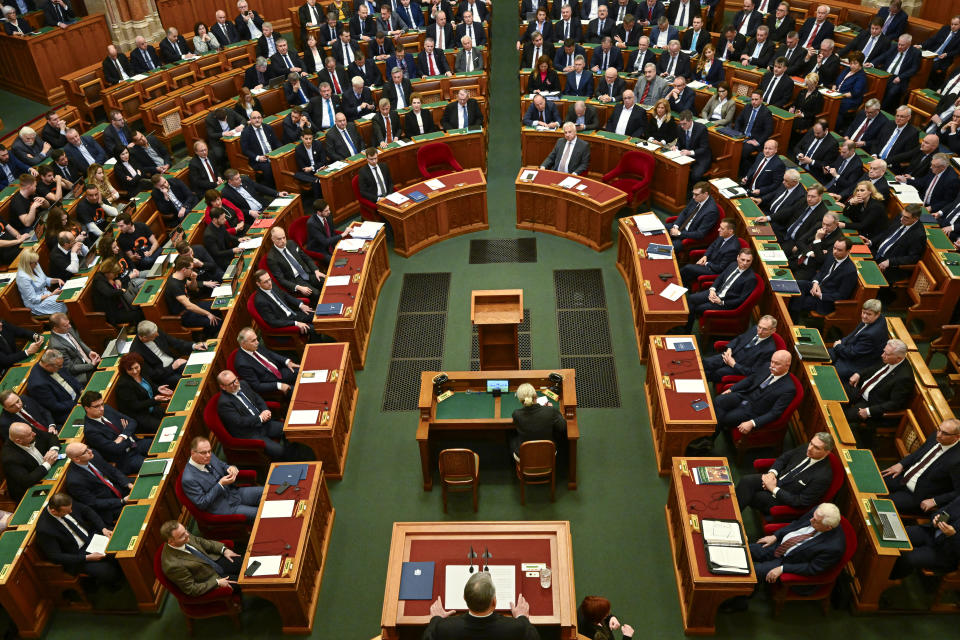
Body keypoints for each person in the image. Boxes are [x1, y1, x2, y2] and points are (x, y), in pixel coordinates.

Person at [729, 503, 845, 611]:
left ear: (828, 527)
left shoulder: (833, 547)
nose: (811, 520)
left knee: (754, 572)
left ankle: (738, 601)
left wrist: (783, 569)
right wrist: (775, 536)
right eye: (813, 517)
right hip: (779, 545)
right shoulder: (818, 513)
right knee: (745, 549)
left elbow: (811, 568)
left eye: (815, 521)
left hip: (789, 562)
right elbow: (796, 523)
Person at [706, 350, 796, 443]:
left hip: (753, 410)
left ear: (787, 365)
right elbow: (750, 379)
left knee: (726, 418)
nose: (772, 365)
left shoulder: (788, 389)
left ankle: (707, 438)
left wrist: (752, 422)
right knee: (719, 400)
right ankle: (707, 440)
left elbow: (775, 413)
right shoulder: (767, 366)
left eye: (777, 364)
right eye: (772, 361)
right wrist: (732, 389)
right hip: (745, 395)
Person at [36, 492, 121, 588]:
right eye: (66, 512)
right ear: (53, 511)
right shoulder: (44, 529)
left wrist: (103, 529)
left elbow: (87, 510)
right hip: (77, 554)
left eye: (71, 508)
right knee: (107, 571)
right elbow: (56, 556)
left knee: (119, 542)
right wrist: (87, 558)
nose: (71, 512)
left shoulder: (66, 504)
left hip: (91, 537)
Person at [736, 432, 835, 514]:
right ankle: (730, 514)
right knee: (746, 481)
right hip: (776, 479)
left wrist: (773, 489)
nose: (810, 448)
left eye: (816, 448)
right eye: (811, 443)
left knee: (754, 496)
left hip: (783, 499)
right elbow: (784, 458)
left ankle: (731, 520)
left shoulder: (823, 477)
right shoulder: (807, 448)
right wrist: (772, 474)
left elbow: (800, 501)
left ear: (827, 452)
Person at [424, 571, 538, 640]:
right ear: (494, 603)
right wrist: (522, 617)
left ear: (464, 598)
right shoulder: (517, 628)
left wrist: (436, 619)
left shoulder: (443, 628)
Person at [843, 339, 914, 447]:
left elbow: (895, 404)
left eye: (887, 354)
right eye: (884, 351)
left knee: (842, 417)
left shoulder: (904, 377)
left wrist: (869, 411)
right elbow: (874, 369)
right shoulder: (889, 359)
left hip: (871, 404)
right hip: (860, 391)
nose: (882, 355)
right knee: (837, 393)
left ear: (898, 358)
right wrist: (859, 374)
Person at [881, 418, 960, 515]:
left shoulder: (957, 460)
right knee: (870, 481)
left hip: (915, 495)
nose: (939, 434)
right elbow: (919, 452)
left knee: (881, 504)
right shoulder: (936, 436)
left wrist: (935, 501)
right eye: (939, 429)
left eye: (945, 433)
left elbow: (958, 492)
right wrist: (901, 464)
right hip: (902, 477)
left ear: (957, 437)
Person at [180, 437, 264, 522]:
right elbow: (202, 503)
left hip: (234, 492)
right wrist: (220, 484)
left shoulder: (209, 455)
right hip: (223, 506)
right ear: (193, 453)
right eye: (204, 453)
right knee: (260, 513)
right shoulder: (188, 479)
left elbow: (222, 465)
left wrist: (230, 468)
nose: (208, 455)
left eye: (209, 451)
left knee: (266, 492)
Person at [216, 370, 289, 460]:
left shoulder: (243, 384)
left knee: (289, 431)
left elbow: (257, 398)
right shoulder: (224, 403)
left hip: (263, 423)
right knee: (280, 451)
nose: (235, 384)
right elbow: (240, 422)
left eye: (235, 380)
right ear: (222, 387)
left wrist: (265, 410)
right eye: (231, 383)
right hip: (250, 433)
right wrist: (260, 418)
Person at [160, 519, 243, 595]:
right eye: (182, 536)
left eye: (185, 529)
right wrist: (217, 583)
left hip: (214, 560)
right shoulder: (172, 566)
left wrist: (224, 550)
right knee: (244, 583)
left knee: (248, 564)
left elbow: (202, 542)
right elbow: (191, 589)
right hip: (211, 578)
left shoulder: (183, 534)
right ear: (171, 542)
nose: (187, 534)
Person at [888, 495, 960, 580]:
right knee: (894, 534)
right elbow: (942, 510)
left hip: (945, 552)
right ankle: (877, 565)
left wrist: (952, 535)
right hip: (931, 532)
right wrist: (936, 518)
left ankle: (885, 578)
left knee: (906, 558)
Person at [683, 249, 756, 332]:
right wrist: (712, 289)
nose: (745, 263)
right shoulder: (733, 265)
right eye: (743, 259)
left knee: (698, 308)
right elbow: (720, 277)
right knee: (691, 298)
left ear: (752, 261)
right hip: (716, 292)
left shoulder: (751, 279)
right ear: (738, 257)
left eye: (748, 261)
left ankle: (687, 331)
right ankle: (685, 326)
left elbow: (741, 300)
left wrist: (721, 302)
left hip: (725, 302)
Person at [63, 441, 132, 526]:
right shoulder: (75, 481)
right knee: (136, 512)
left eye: (87, 447)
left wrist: (128, 484)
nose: (90, 451)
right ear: (77, 459)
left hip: (117, 488)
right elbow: (93, 502)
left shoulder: (93, 455)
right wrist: (121, 501)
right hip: (109, 507)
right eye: (85, 451)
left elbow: (111, 470)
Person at [80, 390, 149, 474]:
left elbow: (132, 422)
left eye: (102, 404)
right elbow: (115, 449)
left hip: (136, 443)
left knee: (162, 444)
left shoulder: (107, 409)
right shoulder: (91, 431)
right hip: (126, 458)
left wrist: (122, 436)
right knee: (154, 465)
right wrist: (127, 432)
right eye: (97, 406)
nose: (102, 408)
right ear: (87, 408)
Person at [702, 315, 779, 382]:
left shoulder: (769, 350)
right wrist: (730, 349)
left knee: (714, 373)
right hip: (731, 355)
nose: (759, 331)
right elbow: (740, 338)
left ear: (773, 330)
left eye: (764, 329)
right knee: (706, 362)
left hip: (738, 367)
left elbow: (753, 371)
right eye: (759, 327)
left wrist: (733, 364)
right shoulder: (755, 329)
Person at [791, 238, 856, 316]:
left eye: (839, 250)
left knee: (798, 300)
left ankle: (792, 318)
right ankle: (793, 315)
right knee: (797, 284)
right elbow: (821, 271)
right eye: (834, 248)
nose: (835, 251)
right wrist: (815, 283)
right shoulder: (831, 256)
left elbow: (841, 295)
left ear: (848, 251)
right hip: (818, 287)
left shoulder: (850, 271)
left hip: (825, 300)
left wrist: (820, 295)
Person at [131, 320, 205, 387]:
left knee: (196, 370)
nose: (157, 335)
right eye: (154, 335)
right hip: (163, 375)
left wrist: (194, 346)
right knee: (189, 382)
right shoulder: (136, 352)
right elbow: (152, 375)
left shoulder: (154, 331)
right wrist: (172, 367)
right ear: (144, 338)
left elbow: (175, 342)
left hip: (175, 362)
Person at [827, 299, 886, 379]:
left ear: (877, 314)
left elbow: (852, 354)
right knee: (824, 355)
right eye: (863, 312)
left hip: (858, 362)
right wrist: (842, 341)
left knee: (830, 374)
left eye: (868, 314)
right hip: (852, 348)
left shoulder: (871, 334)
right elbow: (853, 334)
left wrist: (838, 346)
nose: (864, 316)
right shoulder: (873, 319)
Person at [866, 204, 925, 282]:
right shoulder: (900, 218)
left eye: (906, 218)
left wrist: (890, 261)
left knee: (868, 278)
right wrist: (871, 241)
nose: (901, 219)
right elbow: (886, 232)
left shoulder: (918, 235)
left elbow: (913, 257)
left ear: (915, 218)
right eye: (902, 215)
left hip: (891, 265)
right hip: (877, 253)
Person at [1, 422, 59, 501]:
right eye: (29, 435)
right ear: (19, 441)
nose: (34, 434)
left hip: (45, 474)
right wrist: (47, 463)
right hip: (28, 492)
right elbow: (27, 480)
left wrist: (53, 450)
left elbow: (51, 437)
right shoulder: (10, 458)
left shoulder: (29, 432)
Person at [116, 351, 171, 434]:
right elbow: (135, 406)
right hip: (139, 416)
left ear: (140, 365)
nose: (135, 371)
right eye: (130, 369)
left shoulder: (142, 371)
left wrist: (158, 388)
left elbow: (149, 385)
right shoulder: (123, 385)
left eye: (136, 367)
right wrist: (154, 400)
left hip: (152, 408)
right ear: (125, 369)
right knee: (165, 428)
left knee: (172, 419)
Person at [234, 327, 298, 397]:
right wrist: (279, 385)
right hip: (271, 384)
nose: (257, 342)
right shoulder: (242, 364)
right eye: (253, 341)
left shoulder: (254, 345)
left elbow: (270, 354)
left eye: (256, 339)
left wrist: (287, 361)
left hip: (279, 371)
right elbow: (257, 386)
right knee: (299, 393)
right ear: (243, 344)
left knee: (304, 371)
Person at [252, 269, 317, 338]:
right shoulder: (260, 301)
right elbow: (273, 322)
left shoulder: (271, 284)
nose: (269, 283)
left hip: (293, 314)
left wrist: (300, 305)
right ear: (258, 284)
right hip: (285, 323)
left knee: (316, 317)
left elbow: (285, 295)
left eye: (269, 279)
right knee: (314, 329)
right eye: (265, 282)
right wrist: (296, 323)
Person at [510, 383, 566, 460]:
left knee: (512, 439)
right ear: (535, 395)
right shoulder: (551, 411)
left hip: (524, 456)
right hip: (548, 454)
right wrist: (552, 410)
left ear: (520, 400)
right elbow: (562, 427)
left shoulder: (516, 414)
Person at [869, 34, 920, 112]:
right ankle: (870, 107)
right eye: (899, 44)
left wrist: (901, 77)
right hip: (885, 74)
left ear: (909, 44)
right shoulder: (894, 47)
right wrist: (872, 63)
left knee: (891, 92)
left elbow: (914, 69)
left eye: (902, 45)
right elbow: (883, 56)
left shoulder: (915, 53)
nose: (899, 46)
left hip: (899, 78)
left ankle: (880, 110)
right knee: (872, 85)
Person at [48, 312, 99, 384]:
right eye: (65, 325)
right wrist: (91, 365)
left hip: (88, 362)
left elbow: (79, 341)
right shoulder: (56, 346)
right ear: (55, 328)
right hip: (80, 374)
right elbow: (70, 368)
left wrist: (89, 352)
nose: (70, 326)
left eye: (69, 323)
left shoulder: (67, 328)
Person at [667, 182, 718, 251]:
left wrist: (679, 233)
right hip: (680, 227)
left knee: (667, 250)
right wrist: (676, 226)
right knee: (660, 230)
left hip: (689, 236)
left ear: (705, 194)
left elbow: (700, 234)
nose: (693, 197)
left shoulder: (711, 211)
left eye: (696, 194)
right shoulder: (696, 198)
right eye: (693, 193)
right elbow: (684, 212)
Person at [92, 258, 142, 326]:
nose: (116, 276)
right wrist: (121, 291)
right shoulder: (98, 280)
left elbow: (116, 279)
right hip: (112, 313)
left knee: (140, 307)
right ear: (108, 272)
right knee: (139, 314)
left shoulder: (106, 276)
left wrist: (117, 280)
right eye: (115, 274)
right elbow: (109, 293)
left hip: (120, 306)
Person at [734, 90, 773, 172]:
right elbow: (738, 120)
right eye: (752, 99)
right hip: (741, 135)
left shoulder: (766, 112)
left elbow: (769, 130)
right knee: (731, 146)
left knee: (742, 151)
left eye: (756, 99)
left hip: (754, 139)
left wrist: (758, 142)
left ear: (761, 100)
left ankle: (741, 171)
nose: (754, 102)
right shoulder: (747, 107)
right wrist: (736, 132)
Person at [240, 111, 281, 185]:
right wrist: (258, 157)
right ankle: (272, 188)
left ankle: (282, 184)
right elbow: (245, 150)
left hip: (273, 156)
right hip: (258, 160)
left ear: (262, 119)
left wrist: (280, 152)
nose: (257, 120)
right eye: (254, 118)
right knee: (268, 167)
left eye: (259, 118)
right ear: (250, 120)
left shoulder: (268, 127)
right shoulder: (245, 133)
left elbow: (276, 141)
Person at [673, 110, 711, 184]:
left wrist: (690, 152)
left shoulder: (701, 129)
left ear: (690, 121)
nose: (682, 126)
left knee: (695, 175)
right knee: (675, 169)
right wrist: (676, 147)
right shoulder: (680, 127)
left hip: (700, 157)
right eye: (681, 124)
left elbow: (704, 148)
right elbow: (680, 141)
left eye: (684, 124)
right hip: (686, 155)